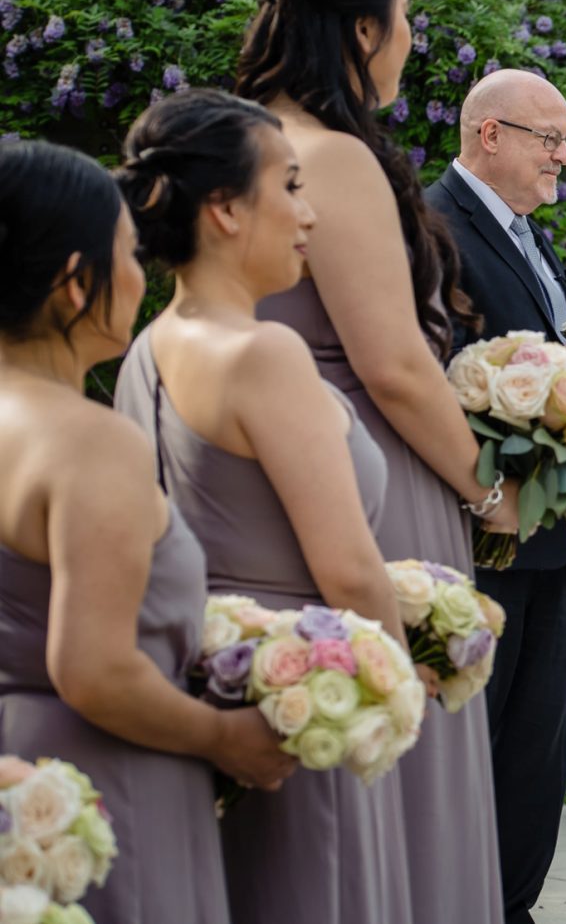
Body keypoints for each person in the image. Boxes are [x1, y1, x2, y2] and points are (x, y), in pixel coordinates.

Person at [236, 0, 509, 924]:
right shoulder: (332, 153)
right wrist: (490, 489)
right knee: (390, 777)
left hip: (254, 480)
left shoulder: (234, 135)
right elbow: (393, 364)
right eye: (405, 14)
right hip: (368, 485)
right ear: (362, 27)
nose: (409, 39)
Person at [111, 89, 416, 924]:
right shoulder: (264, 353)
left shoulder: (149, 347)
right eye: (288, 187)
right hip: (307, 707)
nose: (309, 213)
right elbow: (348, 567)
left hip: (216, 696)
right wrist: (401, 692)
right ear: (223, 210)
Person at [0, 139, 294, 923]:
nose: (142, 273)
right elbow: (95, 670)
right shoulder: (86, 440)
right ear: (74, 282)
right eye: (129, 252)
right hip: (107, 783)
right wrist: (226, 738)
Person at [424, 68, 566, 924]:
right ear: (490, 135)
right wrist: (489, 497)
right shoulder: (440, 230)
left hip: (552, 534)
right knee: (478, 752)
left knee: (535, 757)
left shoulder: (528, 235)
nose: (563, 155)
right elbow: (436, 376)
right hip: (483, 535)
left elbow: (539, 358)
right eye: (548, 138)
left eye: (563, 139)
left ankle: (511, 908)